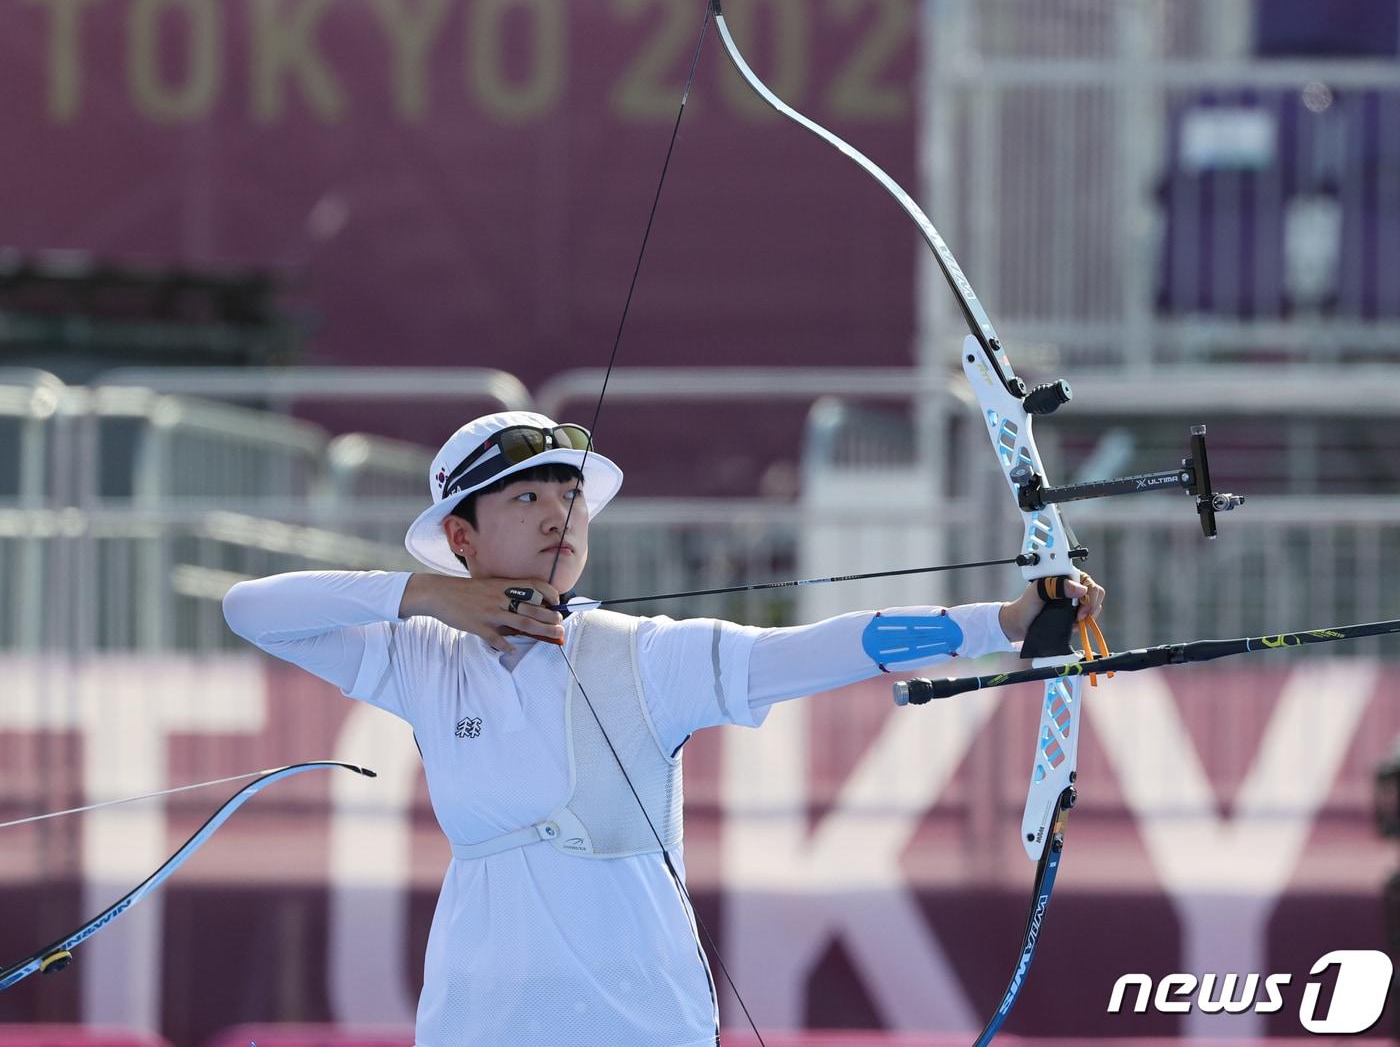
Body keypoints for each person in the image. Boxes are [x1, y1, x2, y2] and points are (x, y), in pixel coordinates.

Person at [222, 410, 1105, 1047]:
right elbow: (250, 608)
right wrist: (430, 596)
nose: (559, 516)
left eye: (570, 495)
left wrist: (999, 623)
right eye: (525, 498)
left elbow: (821, 649)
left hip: (640, 1024)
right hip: (477, 1023)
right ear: (462, 537)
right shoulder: (423, 658)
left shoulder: (644, 655)